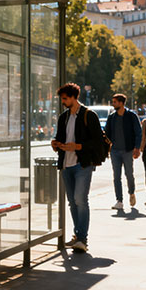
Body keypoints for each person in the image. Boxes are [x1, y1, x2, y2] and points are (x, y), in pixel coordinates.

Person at [52, 83, 105, 253]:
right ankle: (78, 235)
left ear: (74, 97)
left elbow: (97, 142)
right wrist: (56, 144)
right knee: (72, 203)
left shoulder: (89, 115)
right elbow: (60, 137)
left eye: (65, 99)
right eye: (62, 99)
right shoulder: (64, 117)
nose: (63, 102)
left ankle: (83, 238)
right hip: (66, 164)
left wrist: (78, 146)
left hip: (83, 165)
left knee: (80, 200)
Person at [104, 93, 142, 210]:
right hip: (115, 151)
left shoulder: (131, 116)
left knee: (129, 174)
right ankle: (119, 200)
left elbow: (138, 132)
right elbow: (107, 133)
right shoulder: (112, 117)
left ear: (121, 103)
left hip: (128, 150)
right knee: (116, 176)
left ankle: (131, 193)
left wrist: (137, 147)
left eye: (115, 102)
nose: (113, 104)